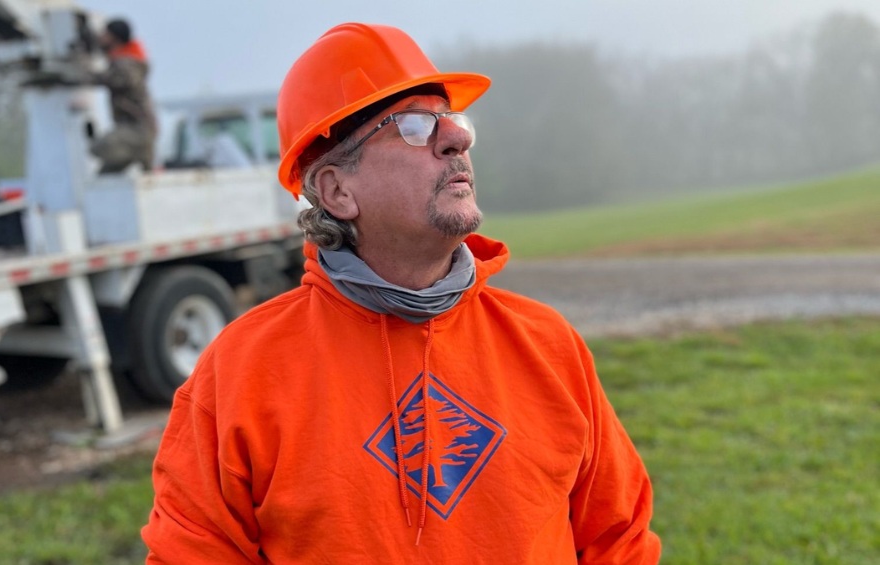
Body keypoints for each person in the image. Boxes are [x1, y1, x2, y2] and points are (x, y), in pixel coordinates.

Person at [142, 22, 661, 564]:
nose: (456, 138)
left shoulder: (548, 345)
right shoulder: (242, 373)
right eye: (414, 125)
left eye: (452, 119)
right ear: (337, 190)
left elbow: (619, 538)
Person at [89, 18, 157, 173]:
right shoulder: (128, 58)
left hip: (135, 132)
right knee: (106, 178)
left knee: (99, 147)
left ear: (114, 38)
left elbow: (106, 78)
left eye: (105, 34)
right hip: (140, 132)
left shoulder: (126, 65)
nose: (101, 37)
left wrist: (78, 71)